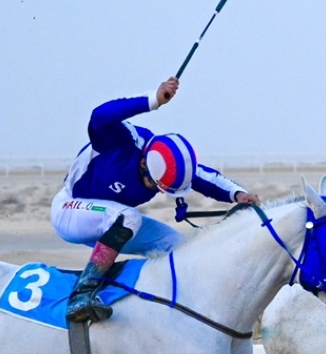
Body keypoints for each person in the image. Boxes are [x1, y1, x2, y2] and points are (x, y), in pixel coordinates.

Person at [51, 77, 259, 323]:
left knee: (178, 247)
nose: (158, 192)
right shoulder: (119, 141)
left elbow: (203, 175)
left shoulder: (167, 161)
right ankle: (83, 295)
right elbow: (99, 116)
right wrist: (154, 100)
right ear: (143, 163)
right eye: (156, 186)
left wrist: (238, 194)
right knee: (128, 217)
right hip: (71, 211)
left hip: (111, 224)